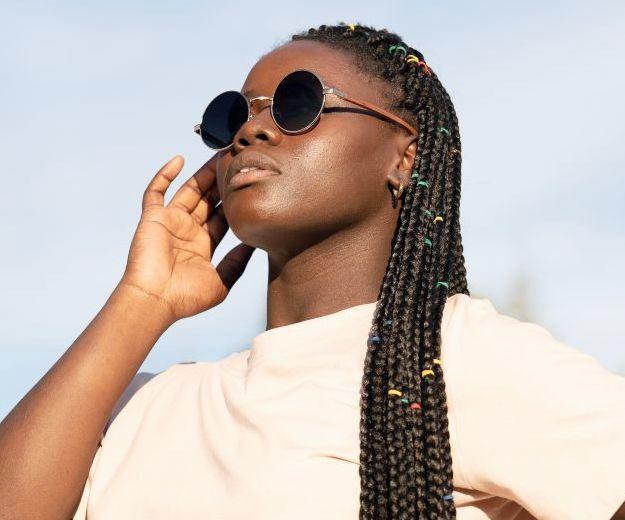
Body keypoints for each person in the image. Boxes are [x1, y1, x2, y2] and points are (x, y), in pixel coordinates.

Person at [1, 22, 624, 520]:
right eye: (231, 117)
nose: (251, 130)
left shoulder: (458, 358)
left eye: (297, 104)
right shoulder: (139, 408)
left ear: (404, 156)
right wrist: (141, 301)